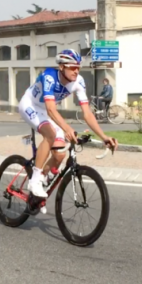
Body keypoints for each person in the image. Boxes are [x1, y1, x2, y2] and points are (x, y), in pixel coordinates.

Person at [18, 49, 118, 207]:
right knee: (50, 135)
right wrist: (66, 128)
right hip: (30, 105)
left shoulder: (79, 82)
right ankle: (35, 180)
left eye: (78, 67)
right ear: (62, 67)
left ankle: (42, 183)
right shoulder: (49, 76)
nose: (76, 71)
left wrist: (103, 137)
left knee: (59, 155)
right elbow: (51, 109)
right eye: (72, 67)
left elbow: (87, 113)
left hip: (46, 111)